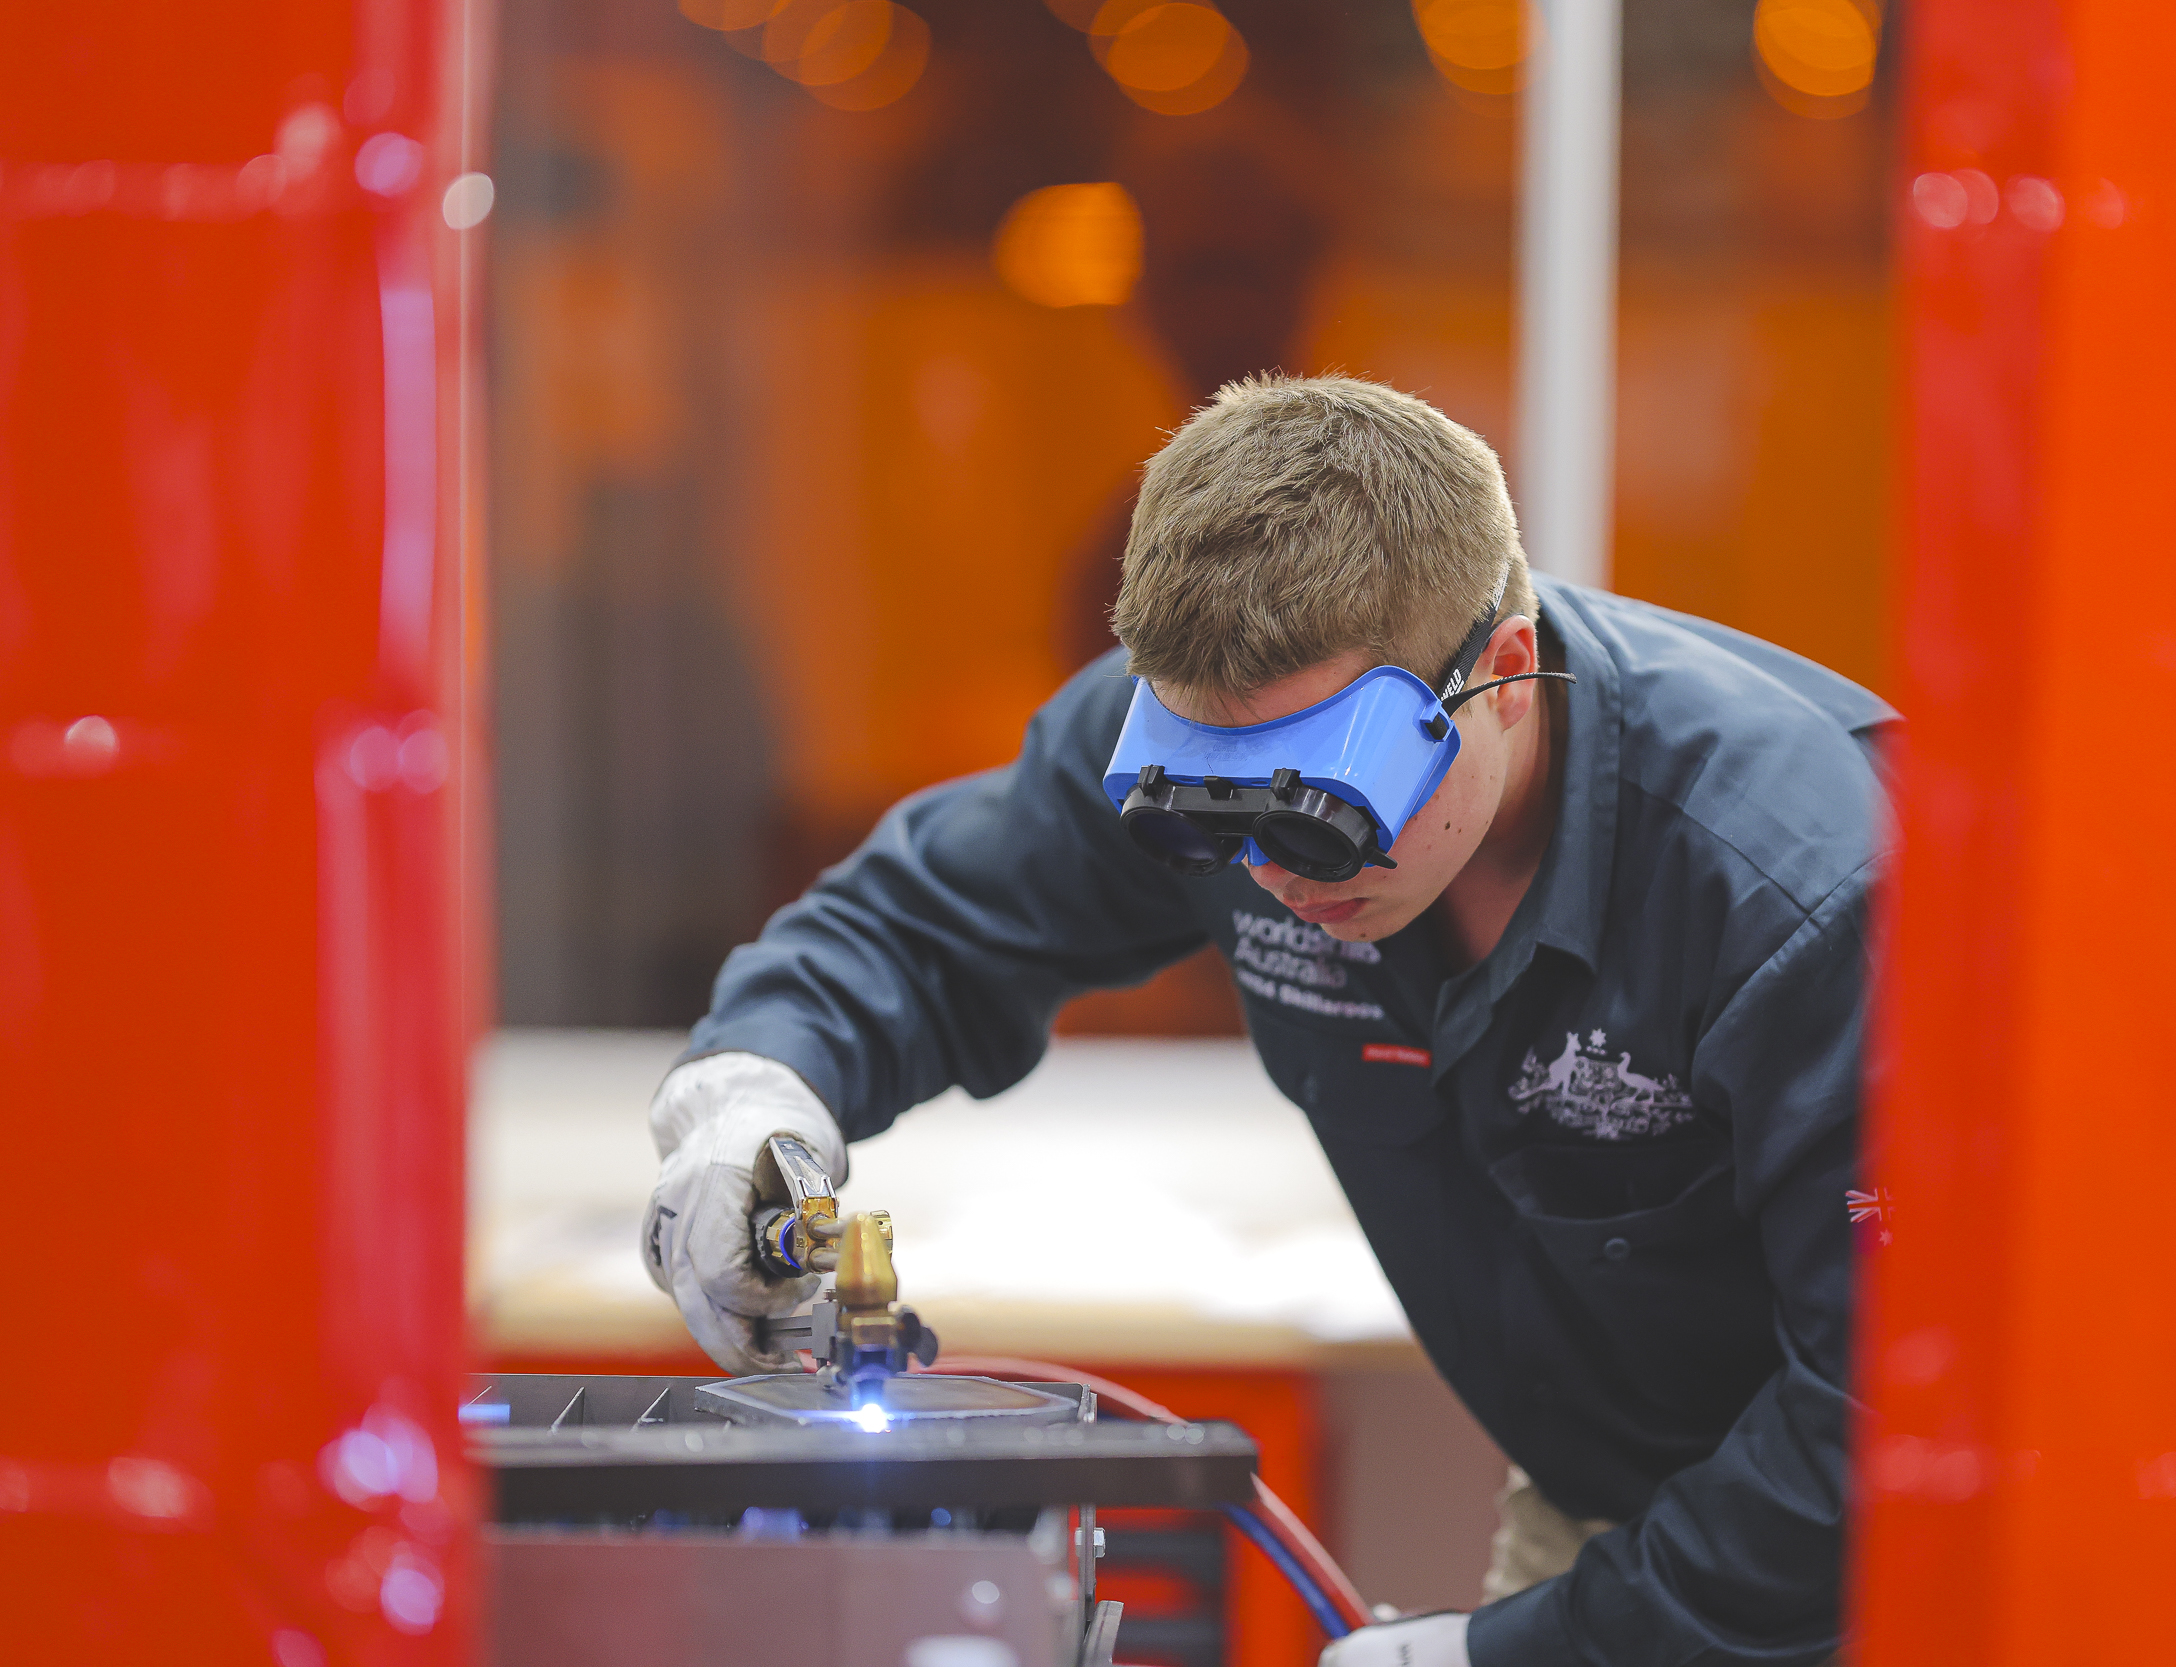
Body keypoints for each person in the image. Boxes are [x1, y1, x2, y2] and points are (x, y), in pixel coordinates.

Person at [643, 375, 1894, 1666]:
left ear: (1504, 674)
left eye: (1320, 807)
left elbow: (1877, 1419)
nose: (1275, 875)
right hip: (1617, 1505)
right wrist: (751, 1095)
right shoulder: (1217, 729)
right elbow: (915, 930)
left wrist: (1501, 1654)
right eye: (1207, 816)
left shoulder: (1803, 893)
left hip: (1895, 1554)